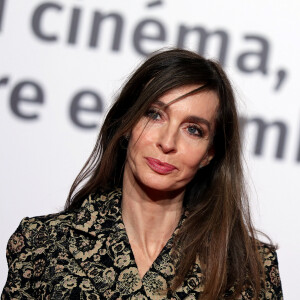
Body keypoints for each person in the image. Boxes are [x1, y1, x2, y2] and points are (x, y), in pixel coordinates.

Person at [2, 49, 283, 300]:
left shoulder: (251, 269)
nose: (168, 142)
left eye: (193, 130)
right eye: (155, 114)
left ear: (209, 154)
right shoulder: (41, 243)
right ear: (127, 122)